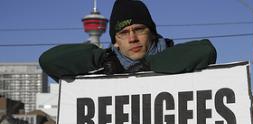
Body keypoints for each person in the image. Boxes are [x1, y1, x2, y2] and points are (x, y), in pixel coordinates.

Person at [39, 0, 217, 82]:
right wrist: (104, 59)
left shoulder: (176, 58)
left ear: (152, 33)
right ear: (115, 41)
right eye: (123, 33)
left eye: (139, 29)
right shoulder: (103, 69)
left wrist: (146, 67)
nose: (132, 38)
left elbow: (206, 51)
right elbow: (48, 61)